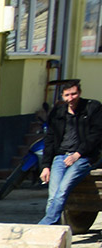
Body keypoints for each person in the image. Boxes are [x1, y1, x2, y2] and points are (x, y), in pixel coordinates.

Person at [37, 80, 102, 226]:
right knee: (53, 196)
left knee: (62, 190)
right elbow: (50, 140)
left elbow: (96, 135)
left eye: (74, 94)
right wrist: (46, 166)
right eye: (67, 95)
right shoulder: (58, 113)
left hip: (83, 158)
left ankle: (44, 226)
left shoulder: (93, 107)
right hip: (60, 157)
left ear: (79, 93)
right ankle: (52, 231)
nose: (71, 98)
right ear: (62, 96)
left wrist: (78, 154)